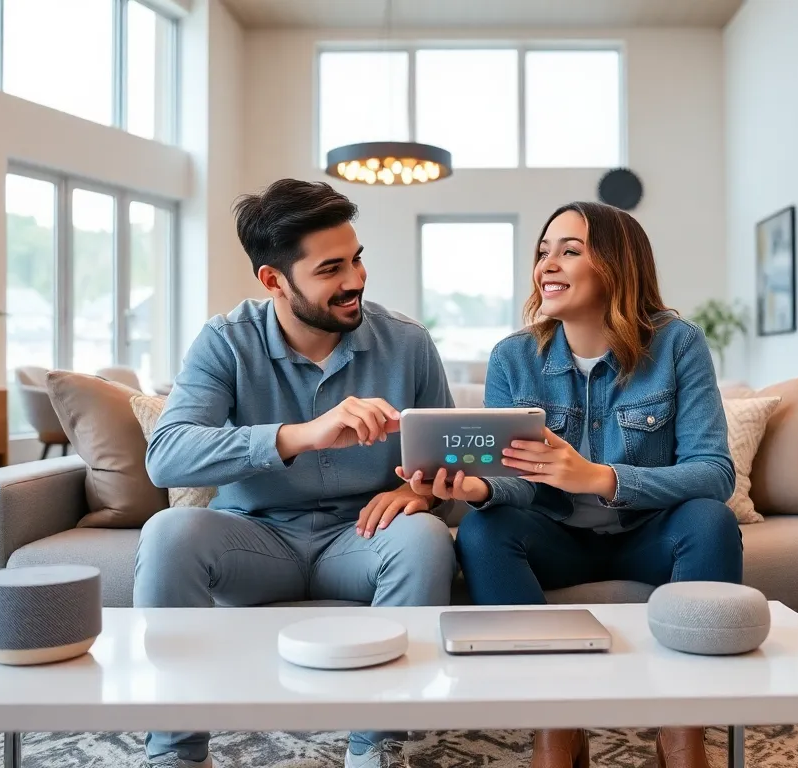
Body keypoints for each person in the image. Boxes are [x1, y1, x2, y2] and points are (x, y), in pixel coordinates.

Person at [402, 201, 742, 768]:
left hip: (647, 535)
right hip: (556, 538)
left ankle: (682, 734)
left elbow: (714, 472)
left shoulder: (678, 344)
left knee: (712, 519)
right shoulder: (515, 357)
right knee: (485, 531)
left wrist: (601, 478)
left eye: (569, 250)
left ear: (616, 264)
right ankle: (556, 728)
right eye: (542, 251)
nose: (546, 265)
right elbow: (515, 485)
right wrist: (478, 491)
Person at [137, 179, 457, 768]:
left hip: (361, 540)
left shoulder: (407, 342)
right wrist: (299, 436)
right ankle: (174, 753)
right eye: (331, 268)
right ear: (273, 280)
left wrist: (416, 491)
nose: (355, 279)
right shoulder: (225, 341)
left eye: (357, 259)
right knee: (167, 532)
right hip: (254, 541)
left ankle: (378, 747)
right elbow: (168, 454)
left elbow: (449, 457)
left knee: (425, 538)